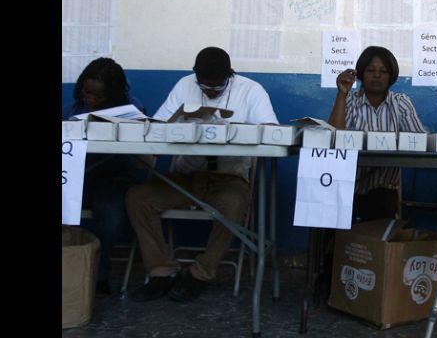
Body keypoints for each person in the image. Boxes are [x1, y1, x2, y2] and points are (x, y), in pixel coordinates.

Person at [125, 46, 278, 302]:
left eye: (217, 88)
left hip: (228, 177)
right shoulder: (184, 85)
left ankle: (199, 274)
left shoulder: (251, 90)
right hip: (186, 176)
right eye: (204, 86)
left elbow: (271, 132)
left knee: (234, 203)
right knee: (138, 197)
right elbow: (157, 128)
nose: (209, 91)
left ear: (230, 76)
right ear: (195, 75)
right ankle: (162, 271)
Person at [62, 57, 148, 295]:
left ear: (113, 94)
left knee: (110, 214)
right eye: (86, 92)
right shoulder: (72, 110)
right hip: (78, 176)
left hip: (114, 176)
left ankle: (98, 276)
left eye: (98, 96)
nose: (90, 99)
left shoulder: (132, 110)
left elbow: (141, 157)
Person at [328, 45, 426, 221]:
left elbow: (419, 139)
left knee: (381, 200)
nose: (377, 75)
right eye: (370, 70)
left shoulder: (401, 103)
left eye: (384, 71)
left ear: (391, 76)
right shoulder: (349, 102)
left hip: (385, 190)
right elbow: (333, 137)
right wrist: (342, 94)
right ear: (361, 74)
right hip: (348, 187)